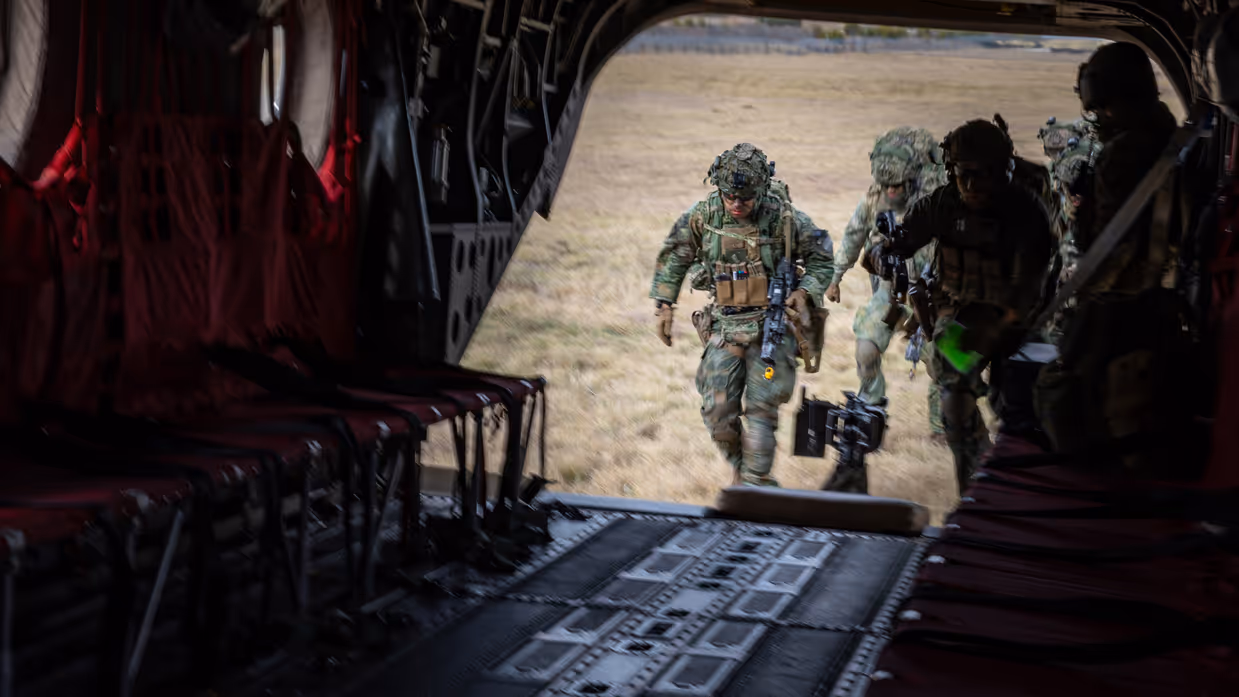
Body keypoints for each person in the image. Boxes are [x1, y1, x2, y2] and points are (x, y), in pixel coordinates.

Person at [867, 120, 1054, 495]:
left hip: (1016, 322)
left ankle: (1028, 490)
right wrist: (881, 253)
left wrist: (1003, 326)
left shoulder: (1026, 210)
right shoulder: (944, 203)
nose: (970, 186)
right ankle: (977, 489)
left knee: (1023, 409)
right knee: (954, 396)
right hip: (964, 318)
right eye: (962, 175)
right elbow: (903, 239)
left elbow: (1029, 287)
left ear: (1003, 172)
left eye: (981, 176)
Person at [1035, 41, 1187, 471]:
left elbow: (1106, 245)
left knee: (1060, 394)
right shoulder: (1171, 135)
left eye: (1102, 110)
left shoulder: (1125, 154)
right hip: (1160, 301)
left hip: (1122, 301)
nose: (1097, 119)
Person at [650, 143, 833, 487]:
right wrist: (664, 304)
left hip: (770, 331)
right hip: (725, 327)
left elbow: (822, 257)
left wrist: (804, 290)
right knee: (718, 416)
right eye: (729, 197)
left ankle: (754, 483)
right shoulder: (705, 216)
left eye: (745, 198)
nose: (736, 204)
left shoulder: (784, 218)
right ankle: (744, 471)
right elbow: (675, 256)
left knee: (762, 413)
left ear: (761, 191)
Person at [825, 127, 949, 446]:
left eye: (897, 187)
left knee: (947, 364)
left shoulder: (938, 202)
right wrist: (836, 277)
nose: (891, 192)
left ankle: (943, 426)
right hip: (890, 294)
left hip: (934, 297)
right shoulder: (873, 200)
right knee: (866, 349)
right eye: (887, 187)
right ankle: (871, 411)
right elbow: (854, 236)